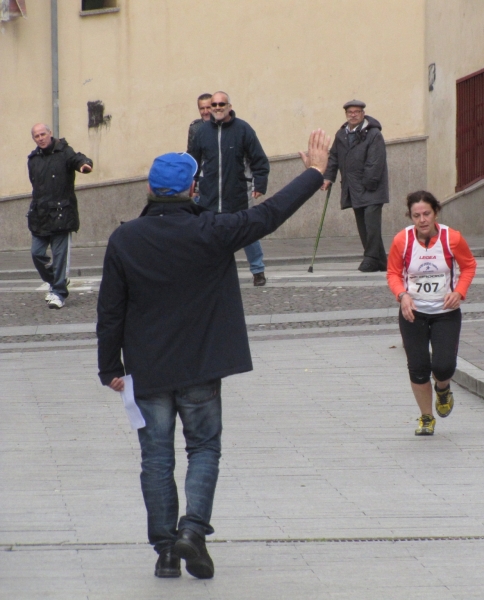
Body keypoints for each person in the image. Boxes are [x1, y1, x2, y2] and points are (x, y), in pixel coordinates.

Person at [96, 130, 331, 579]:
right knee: (204, 448)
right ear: (193, 188)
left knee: (156, 458)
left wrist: (110, 366)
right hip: (202, 364)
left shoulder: (125, 240)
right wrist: (315, 173)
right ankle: (192, 531)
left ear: (150, 189)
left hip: (149, 369)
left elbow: (111, 310)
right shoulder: (213, 230)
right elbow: (270, 214)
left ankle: (166, 550)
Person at [387, 191, 477, 435]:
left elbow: (468, 266)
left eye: (426, 213)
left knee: (443, 365)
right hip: (413, 313)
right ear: (410, 216)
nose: (422, 219)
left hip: (445, 311)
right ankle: (427, 417)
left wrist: (459, 292)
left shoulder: (452, 239)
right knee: (417, 367)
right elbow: (393, 273)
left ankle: (443, 388)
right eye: (416, 215)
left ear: (435, 213)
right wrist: (402, 296)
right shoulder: (402, 241)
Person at [189, 91, 270, 286]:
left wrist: (260, 183)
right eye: (214, 105)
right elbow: (192, 161)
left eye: (220, 104)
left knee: (246, 232)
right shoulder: (201, 132)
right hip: (209, 195)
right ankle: (211, 272)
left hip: (236, 192)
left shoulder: (243, 129)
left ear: (229, 107)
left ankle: (258, 270)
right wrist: (191, 183)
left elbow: (259, 159)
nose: (217, 108)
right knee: (209, 236)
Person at [27, 123, 93, 310]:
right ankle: (57, 281)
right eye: (36, 136)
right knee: (37, 254)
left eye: (43, 134)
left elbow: (77, 159)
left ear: (50, 133)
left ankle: (59, 293)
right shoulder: (33, 159)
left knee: (59, 256)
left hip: (61, 214)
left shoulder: (64, 151)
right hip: (40, 215)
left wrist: (84, 165)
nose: (40, 138)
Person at [322, 99, 389, 272]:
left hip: (371, 187)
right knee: (363, 225)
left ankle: (370, 258)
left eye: (357, 112)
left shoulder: (373, 134)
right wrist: (328, 178)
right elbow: (334, 157)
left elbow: (375, 162)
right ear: (346, 114)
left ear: (363, 114)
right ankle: (381, 261)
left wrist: (368, 182)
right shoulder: (341, 134)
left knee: (372, 225)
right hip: (352, 188)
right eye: (350, 112)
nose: (353, 115)